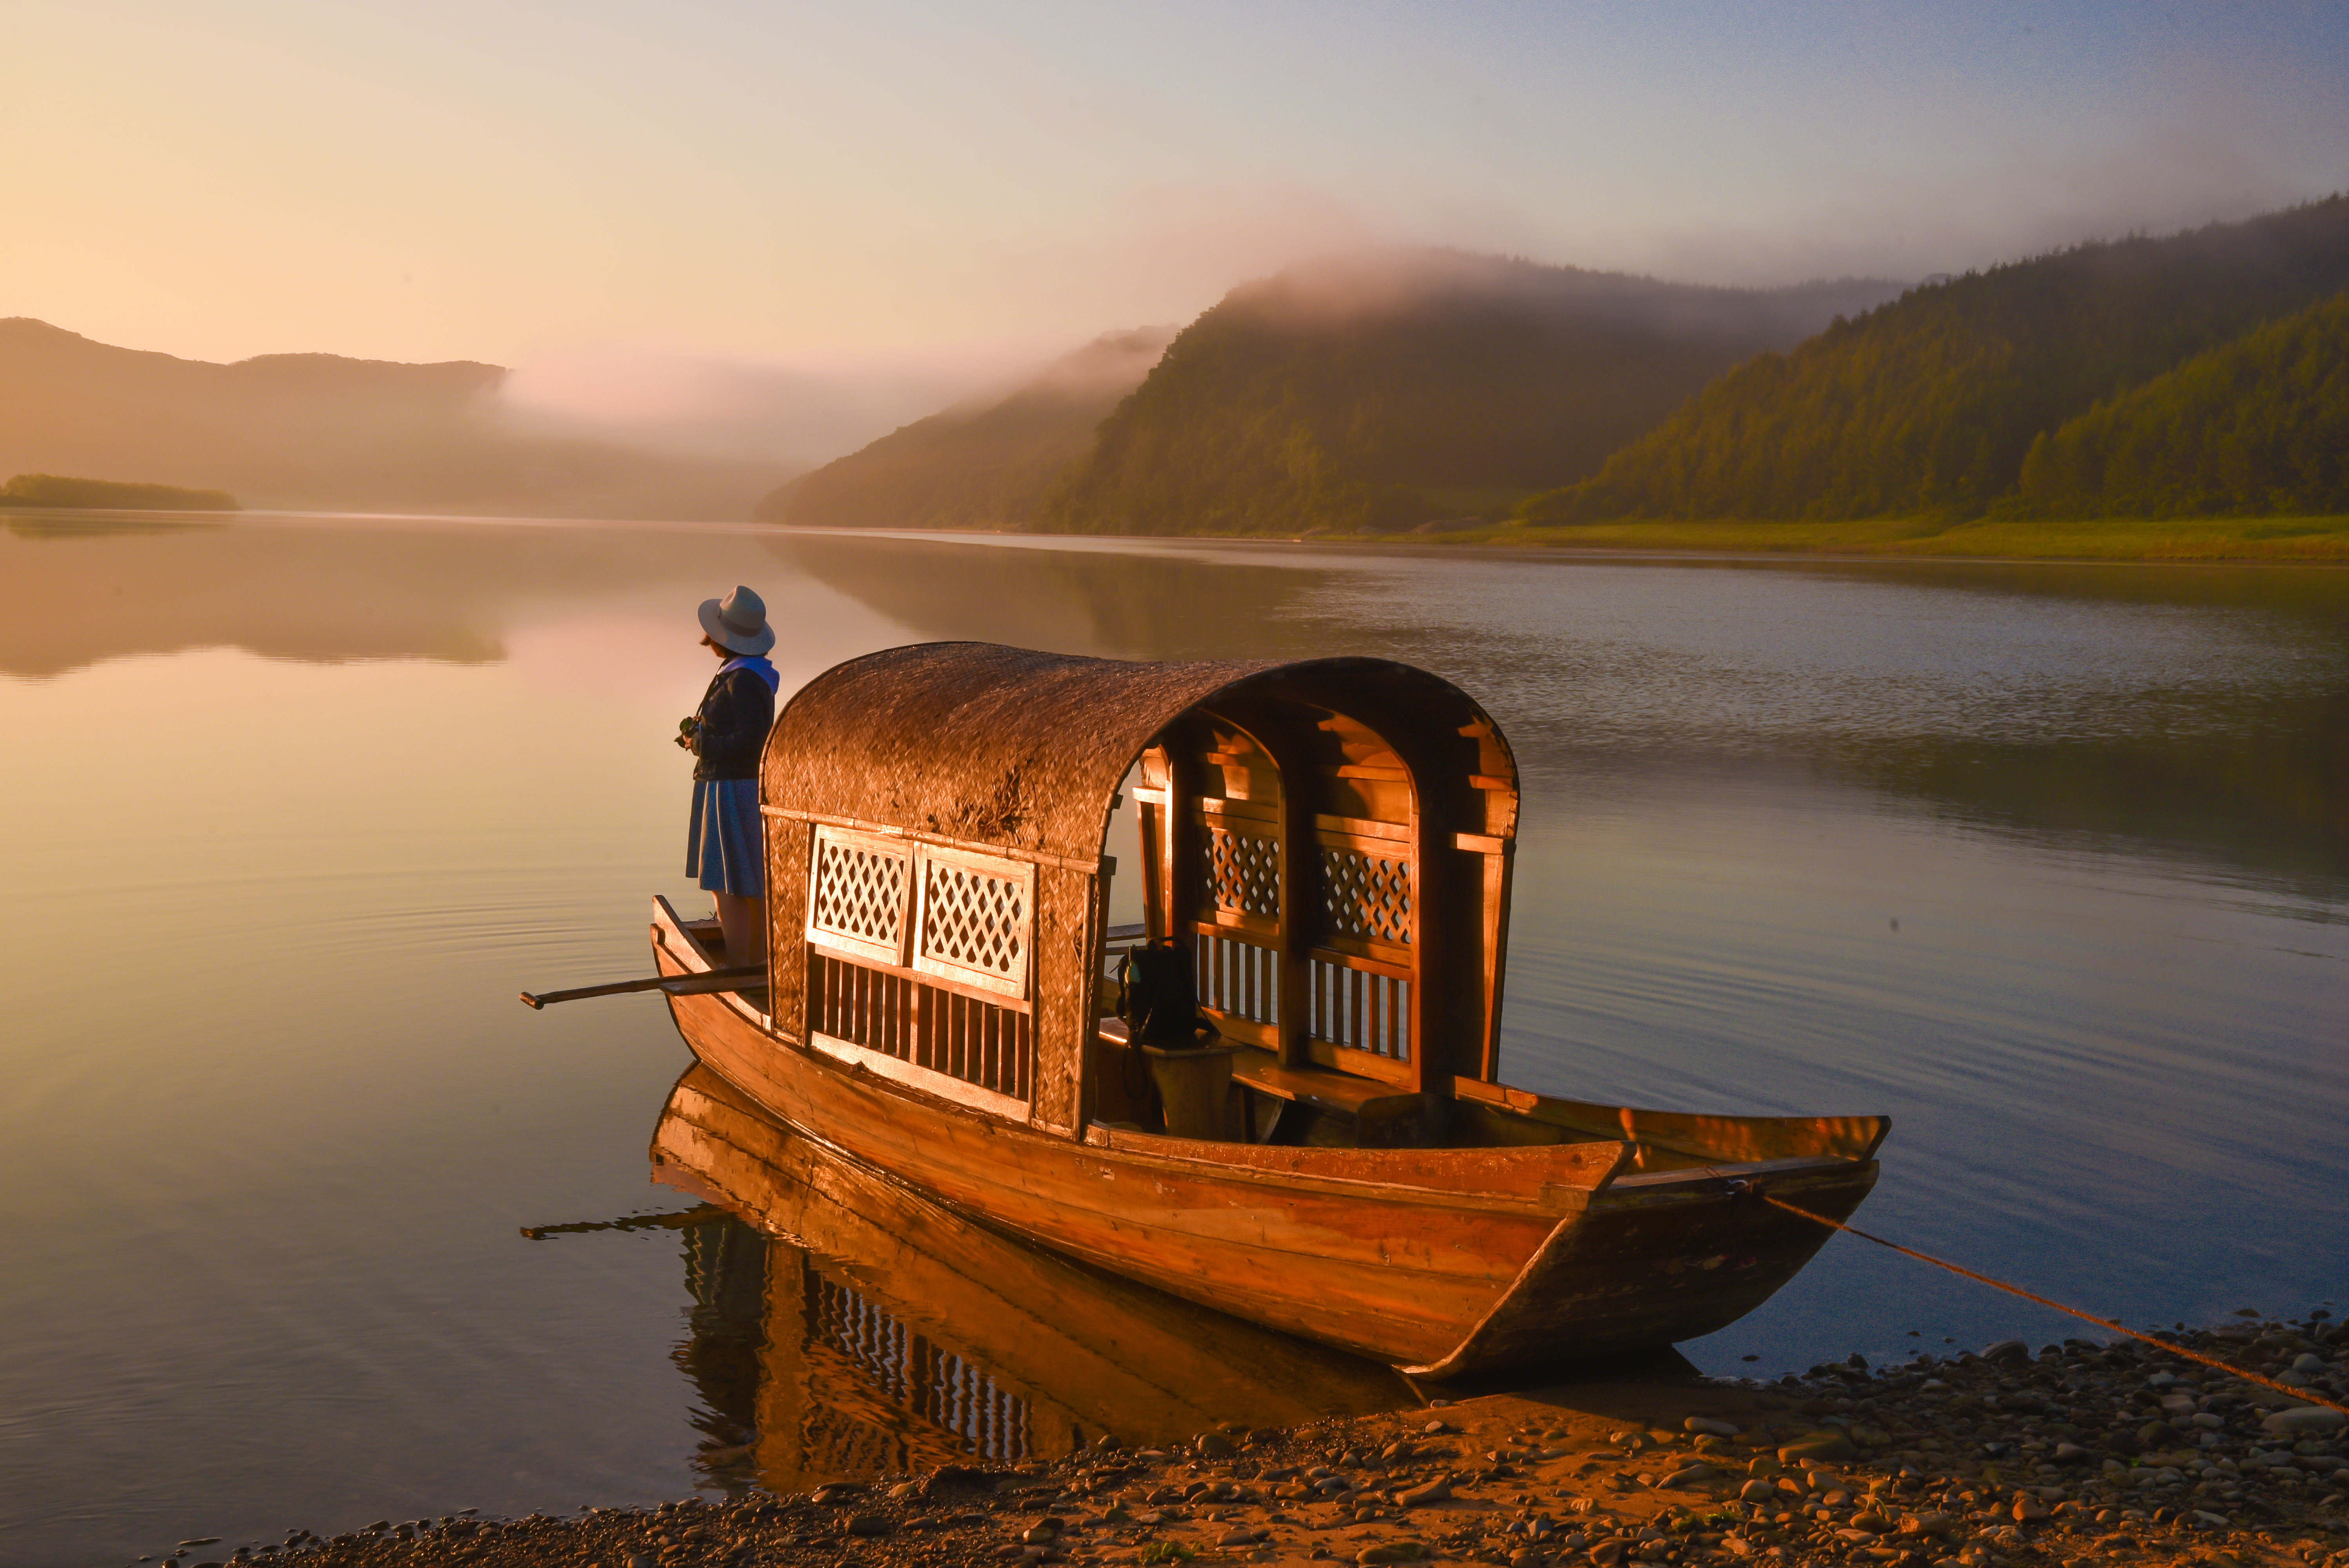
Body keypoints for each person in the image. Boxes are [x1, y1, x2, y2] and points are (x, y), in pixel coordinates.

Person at [679, 585, 780, 968]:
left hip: (730, 788)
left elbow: (750, 741)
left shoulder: (743, 681)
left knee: (730, 885)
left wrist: (702, 744)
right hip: (732, 785)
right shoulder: (748, 676)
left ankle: (740, 968)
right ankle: (753, 963)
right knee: (743, 882)